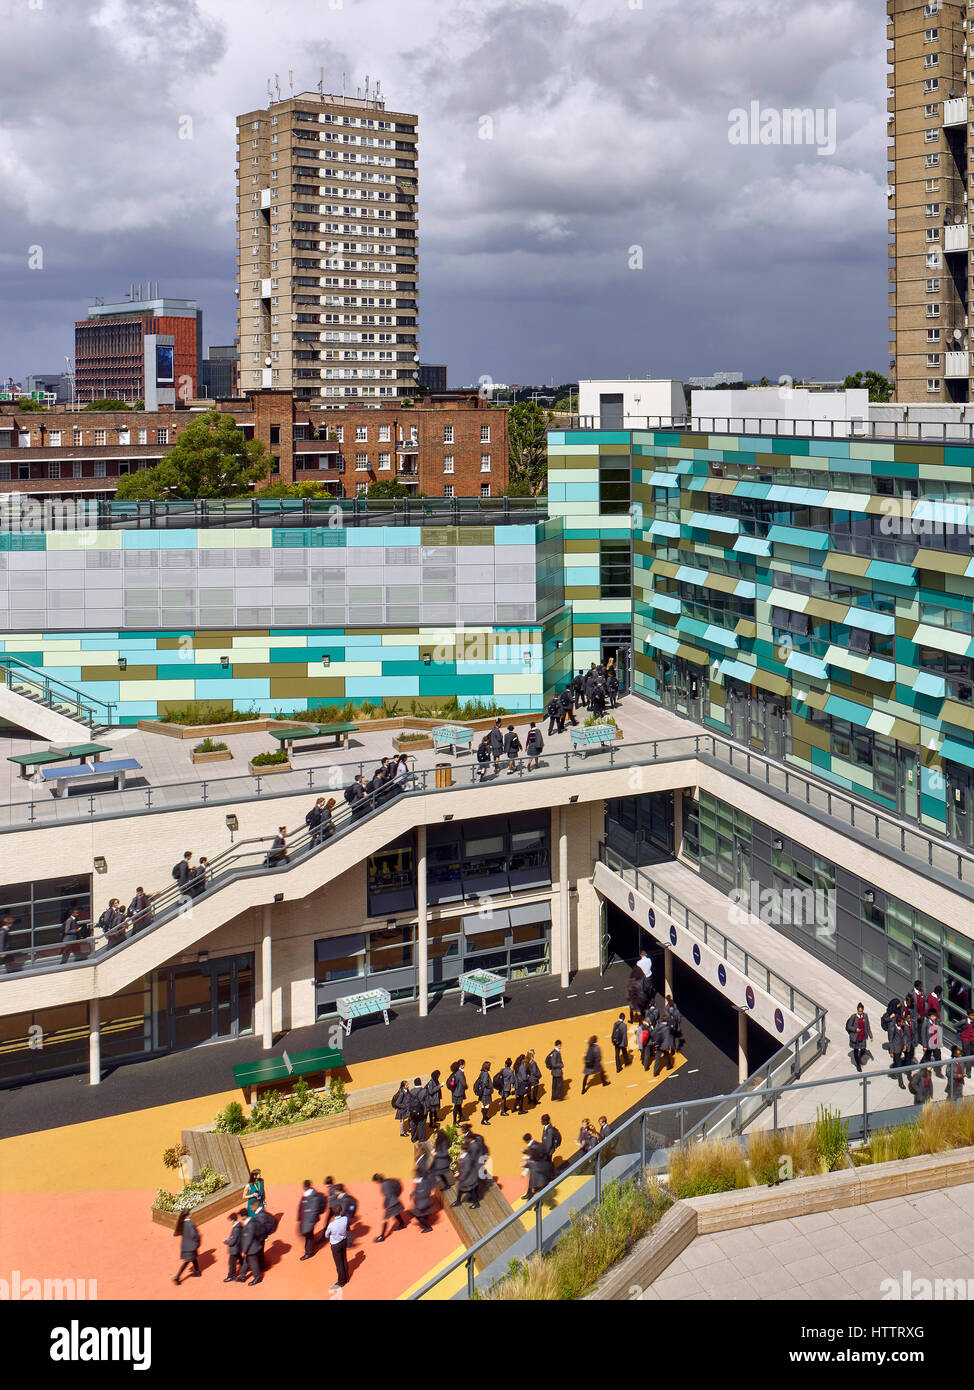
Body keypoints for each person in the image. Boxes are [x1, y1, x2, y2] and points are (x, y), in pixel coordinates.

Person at [373, 1174, 405, 1241]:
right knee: (396, 1213)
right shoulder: (389, 1180)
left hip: (391, 1204)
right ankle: (402, 1223)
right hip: (396, 1200)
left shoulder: (384, 1186)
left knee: (385, 1219)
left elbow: (388, 1196)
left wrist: (385, 1204)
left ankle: (382, 1236)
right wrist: (397, 1195)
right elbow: (397, 1185)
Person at [298, 1179, 325, 1260]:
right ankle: (310, 1247)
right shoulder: (308, 1194)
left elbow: (313, 1210)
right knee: (309, 1235)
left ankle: (309, 1252)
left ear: (305, 1187)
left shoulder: (312, 1196)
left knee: (308, 1235)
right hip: (306, 1219)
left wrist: (309, 1223)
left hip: (309, 1220)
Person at [173, 1212, 201, 1284]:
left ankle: (197, 1271)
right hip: (190, 1246)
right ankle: (177, 1276)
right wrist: (198, 1238)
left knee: (193, 1257)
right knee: (187, 1261)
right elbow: (194, 1235)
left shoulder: (182, 1223)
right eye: (190, 1213)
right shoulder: (190, 1224)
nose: (191, 1214)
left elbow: (177, 1233)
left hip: (185, 1245)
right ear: (187, 1215)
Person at [453, 1140, 481, 1210]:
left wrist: (459, 1175)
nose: (459, 1150)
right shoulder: (463, 1156)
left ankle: (476, 1203)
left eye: (460, 1149)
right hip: (466, 1177)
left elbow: (467, 1170)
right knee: (461, 1189)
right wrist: (458, 1171)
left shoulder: (467, 1158)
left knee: (470, 1190)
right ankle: (458, 1201)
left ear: (463, 1150)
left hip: (468, 1178)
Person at [846, 1002, 872, 1073]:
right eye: (859, 1011)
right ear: (857, 1010)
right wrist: (855, 1029)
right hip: (856, 1036)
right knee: (856, 1050)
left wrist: (870, 1035)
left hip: (863, 1035)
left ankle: (859, 1057)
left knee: (863, 1048)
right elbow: (849, 1026)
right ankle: (858, 1064)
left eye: (861, 1011)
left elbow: (868, 1026)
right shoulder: (853, 1017)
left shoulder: (865, 1016)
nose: (860, 1012)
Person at [412, 1154, 435, 1233]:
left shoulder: (421, 1182)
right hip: (424, 1200)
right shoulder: (423, 1180)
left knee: (417, 1215)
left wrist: (414, 1194)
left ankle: (428, 1227)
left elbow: (421, 1191)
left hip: (422, 1201)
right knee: (425, 1211)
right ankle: (426, 1217)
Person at [521, 1134, 549, 1200]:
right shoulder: (534, 1144)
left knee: (535, 1179)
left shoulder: (533, 1145)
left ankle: (530, 1194)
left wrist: (528, 1158)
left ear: (526, 1141)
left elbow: (535, 1154)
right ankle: (530, 1193)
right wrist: (525, 1152)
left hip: (538, 1165)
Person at [886, 1011, 907, 1090]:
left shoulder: (902, 1028)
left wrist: (904, 1045)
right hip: (895, 1049)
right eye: (902, 1022)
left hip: (900, 1048)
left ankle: (893, 1073)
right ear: (898, 1022)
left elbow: (903, 1037)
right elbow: (891, 1040)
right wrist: (891, 1051)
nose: (903, 1024)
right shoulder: (892, 1029)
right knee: (899, 1065)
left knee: (896, 1062)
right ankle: (901, 1083)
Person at [921, 1009, 944, 1077]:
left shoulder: (937, 1021)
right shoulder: (926, 1022)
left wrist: (941, 1041)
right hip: (929, 1042)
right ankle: (923, 1067)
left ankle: (938, 1071)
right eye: (933, 1016)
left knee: (938, 1056)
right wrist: (924, 1045)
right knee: (927, 1056)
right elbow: (923, 1035)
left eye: (935, 1016)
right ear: (929, 1016)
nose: (934, 1017)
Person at [224, 1211, 244, 1283]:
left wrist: (226, 1241)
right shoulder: (240, 1225)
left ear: (233, 1220)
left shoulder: (236, 1229)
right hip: (238, 1247)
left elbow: (232, 1241)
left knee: (231, 1263)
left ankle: (231, 1276)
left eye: (230, 1221)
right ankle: (245, 1267)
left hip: (234, 1248)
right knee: (240, 1259)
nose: (230, 1222)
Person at [407, 1077, 428, 1143]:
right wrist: (427, 1110)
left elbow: (408, 1102)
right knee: (421, 1124)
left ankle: (414, 1138)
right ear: (420, 1083)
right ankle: (421, 1139)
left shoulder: (411, 1091)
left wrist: (409, 1111)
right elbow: (427, 1102)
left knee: (413, 1124)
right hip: (422, 1111)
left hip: (412, 1111)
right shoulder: (424, 1091)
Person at [447, 1059, 467, 1124]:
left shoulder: (456, 1072)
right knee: (456, 1106)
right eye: (463, 1064)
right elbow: (463, 1083)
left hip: (455, 1092)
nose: (464, 1065)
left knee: (459, 1105)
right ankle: (454, 1122)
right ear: (461, 1065)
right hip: (458, 1093)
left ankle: (461, 1117)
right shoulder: (459, 1073)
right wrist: (466, 1086)